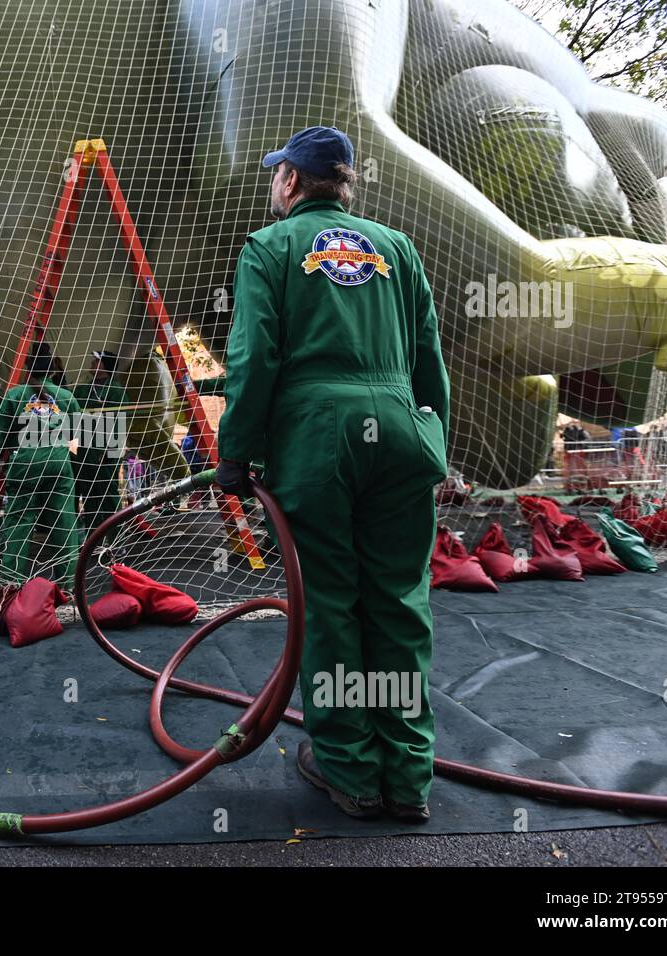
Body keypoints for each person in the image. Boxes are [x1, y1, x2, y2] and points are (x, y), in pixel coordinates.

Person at [216, 126, 449, 823]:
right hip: (401, 435)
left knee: (331, 605)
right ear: (346, 183)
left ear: (290, 180)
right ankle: (407, 779)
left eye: (274, 173)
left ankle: (351, 771)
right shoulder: (398, 248)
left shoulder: (270, 247)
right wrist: (431, 437)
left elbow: (256, 359)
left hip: (318, 440)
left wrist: (236, 452)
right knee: (400, 605)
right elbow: (429, 362)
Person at [0, 343, 83, 584]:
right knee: (64, 525)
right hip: (58, 463)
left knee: (19, 524)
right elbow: (77, 436)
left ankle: (12, 583)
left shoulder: (14, 395)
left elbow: (1, 432)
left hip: (25, 463)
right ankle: (67, 584)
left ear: (28, 370)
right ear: (52, 370)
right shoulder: (67, 397)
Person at [71, 349, 128, 546]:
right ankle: (93, 540)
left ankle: (115, 539)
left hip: (105, 452)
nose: (93, 363)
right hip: (84, 450)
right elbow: (74, 420)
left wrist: (111, 452)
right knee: (89, 495)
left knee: (108, 494)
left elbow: (120, 422)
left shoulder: (116, 390)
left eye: (97, 361)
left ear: (106, 366)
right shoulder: (81, 390)